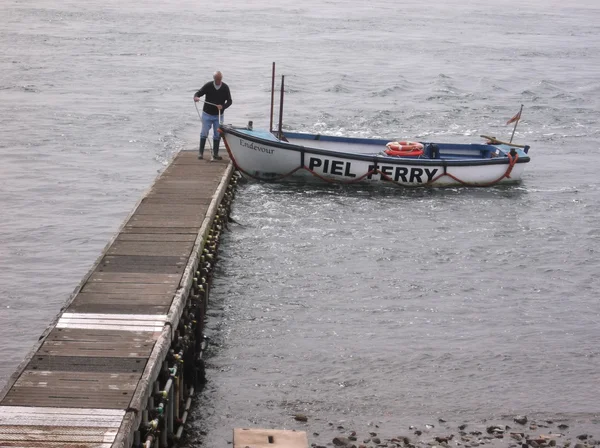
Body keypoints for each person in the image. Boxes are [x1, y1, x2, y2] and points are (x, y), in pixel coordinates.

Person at [193, 71, 232, 161]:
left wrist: (223, 106)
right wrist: (196, 97)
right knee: (204, 133)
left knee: (217, 134)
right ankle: (200, 153)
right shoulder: (208, 85)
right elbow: (198, 93)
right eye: (217, 79)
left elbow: (230, 101)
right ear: (214, 79)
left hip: (218, 115)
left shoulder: (225, 87)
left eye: (220, 79)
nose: (218, 81)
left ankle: (215, 154)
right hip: (207, 114)